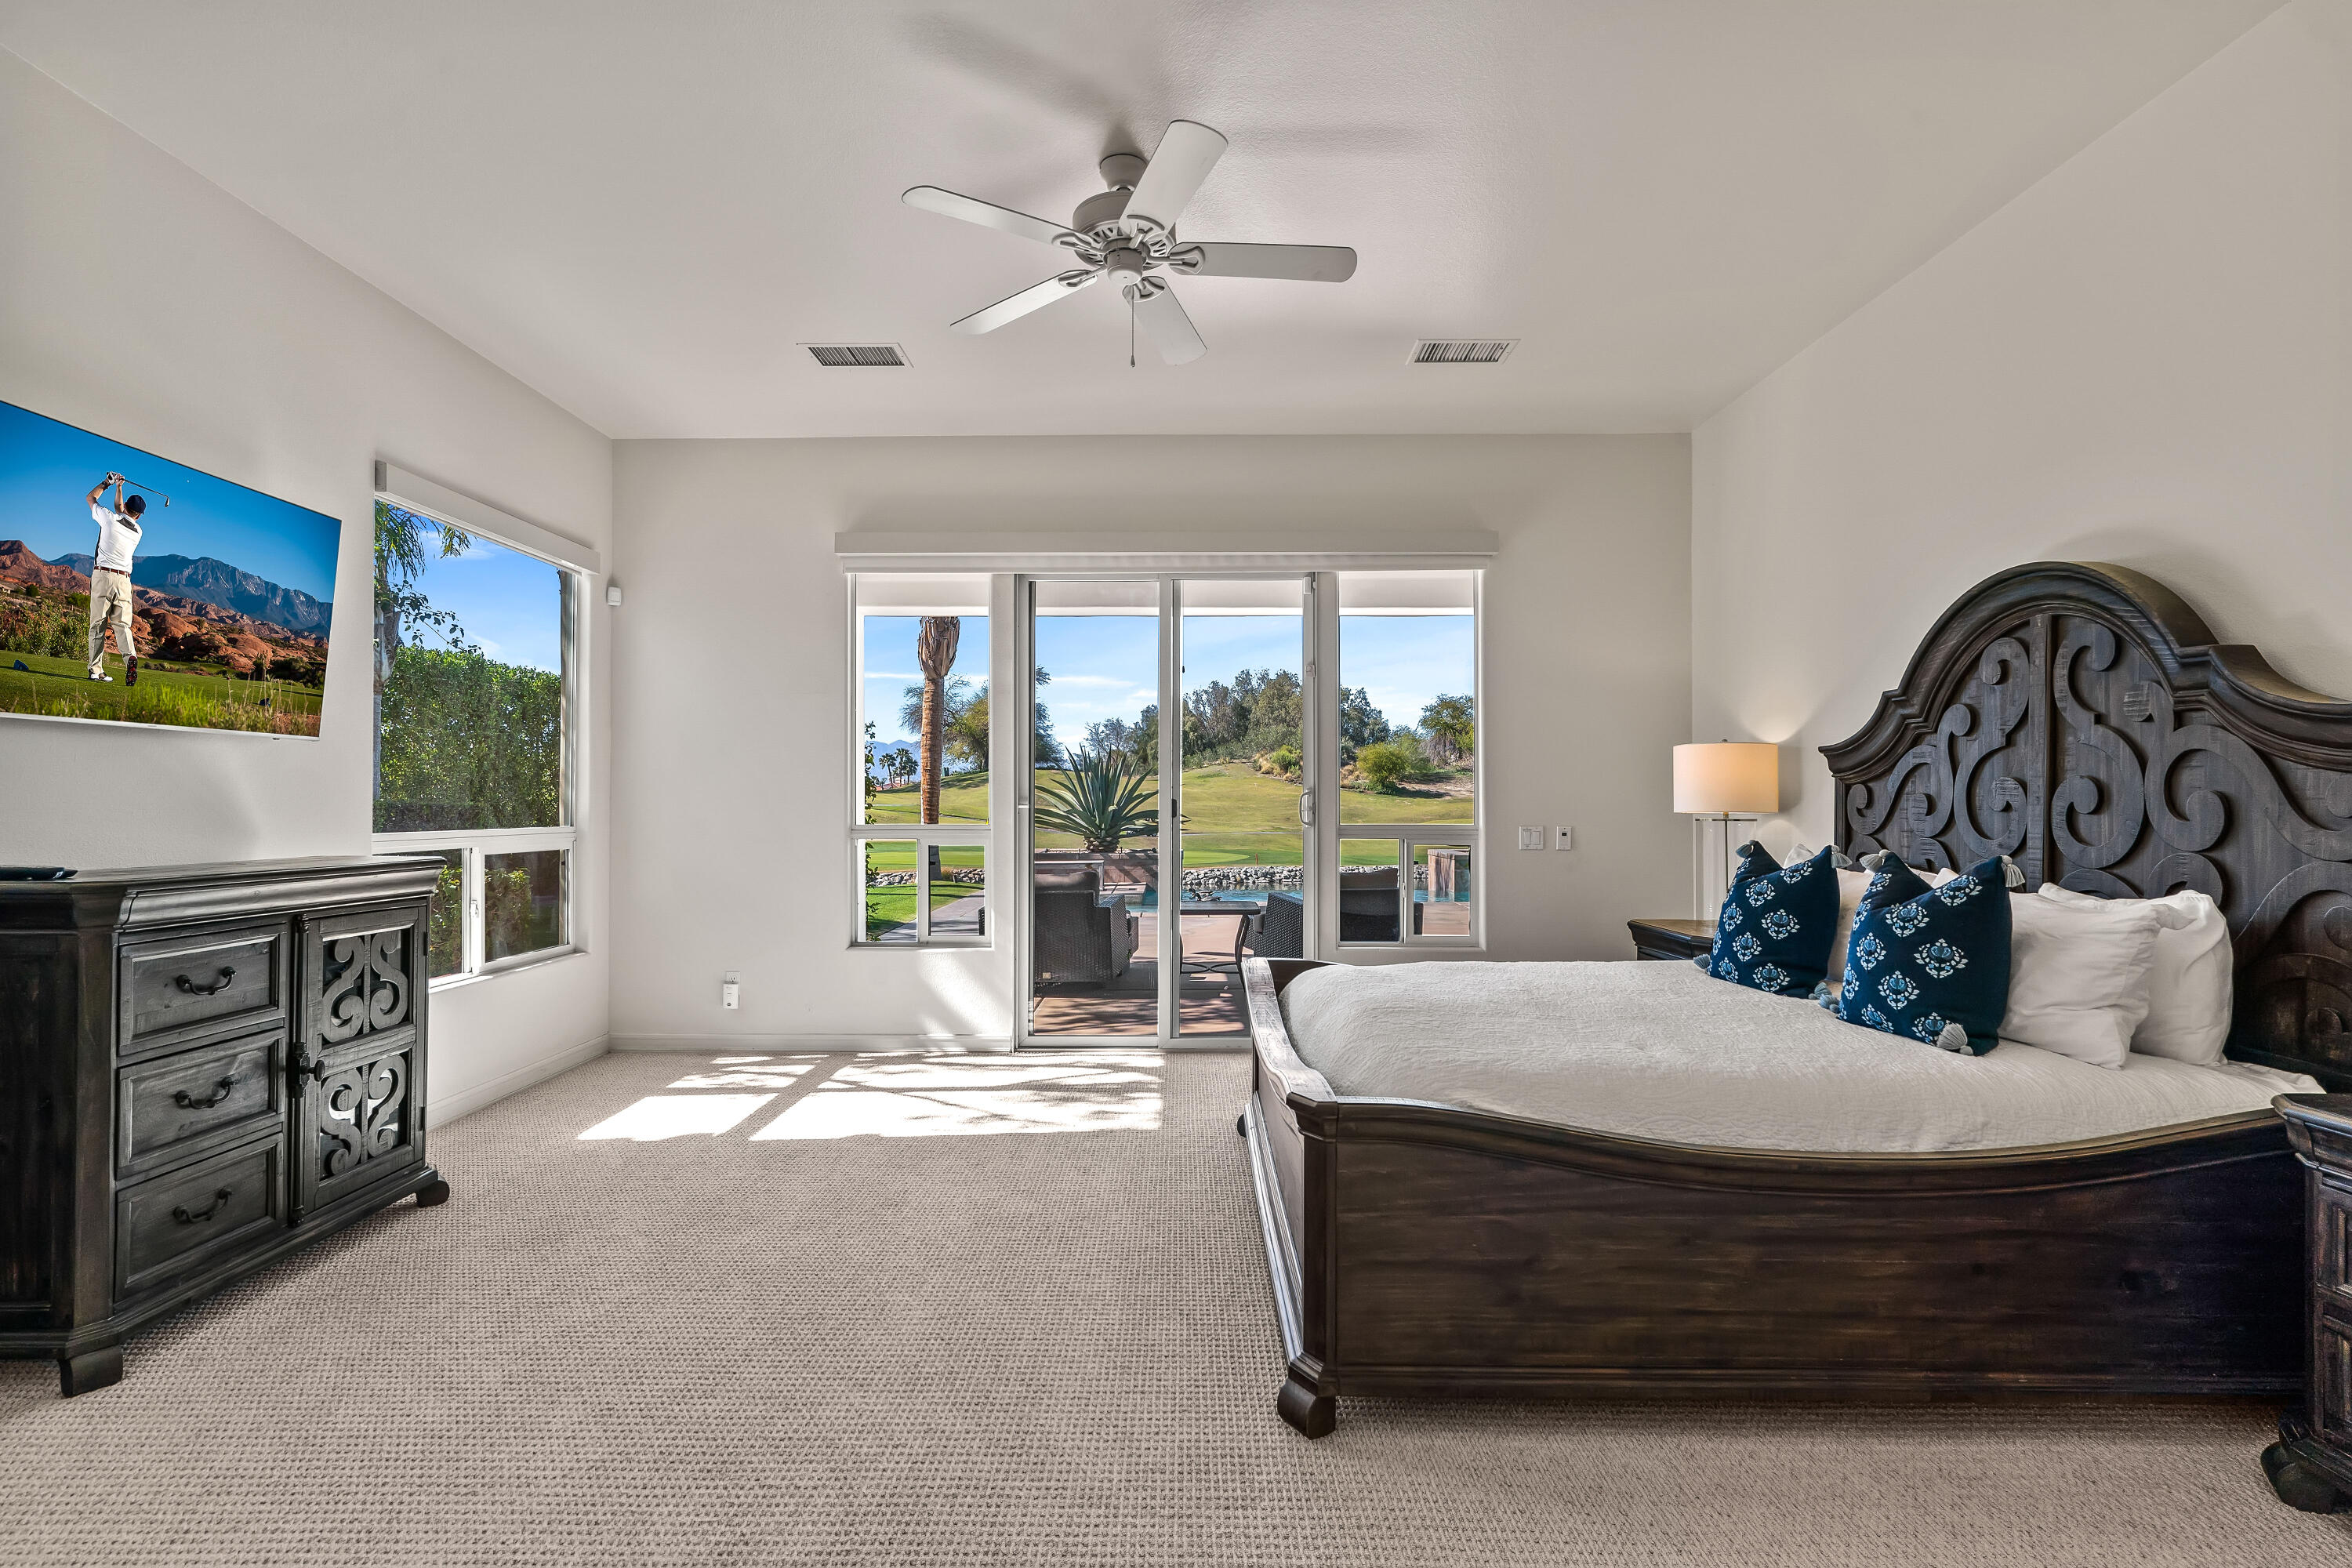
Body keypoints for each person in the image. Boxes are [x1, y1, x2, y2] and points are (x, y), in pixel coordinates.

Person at [83, 471, 145, 684]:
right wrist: (120, 487)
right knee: (122, 625)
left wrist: (108, 483)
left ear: (126, 506)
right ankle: (130, 658)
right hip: (124, 582)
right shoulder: (138, 531)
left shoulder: (109, 518)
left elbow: (90, 498)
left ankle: (96, 670)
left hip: (104, 576)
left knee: (98, 625)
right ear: (139, 515)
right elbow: (123, 512)